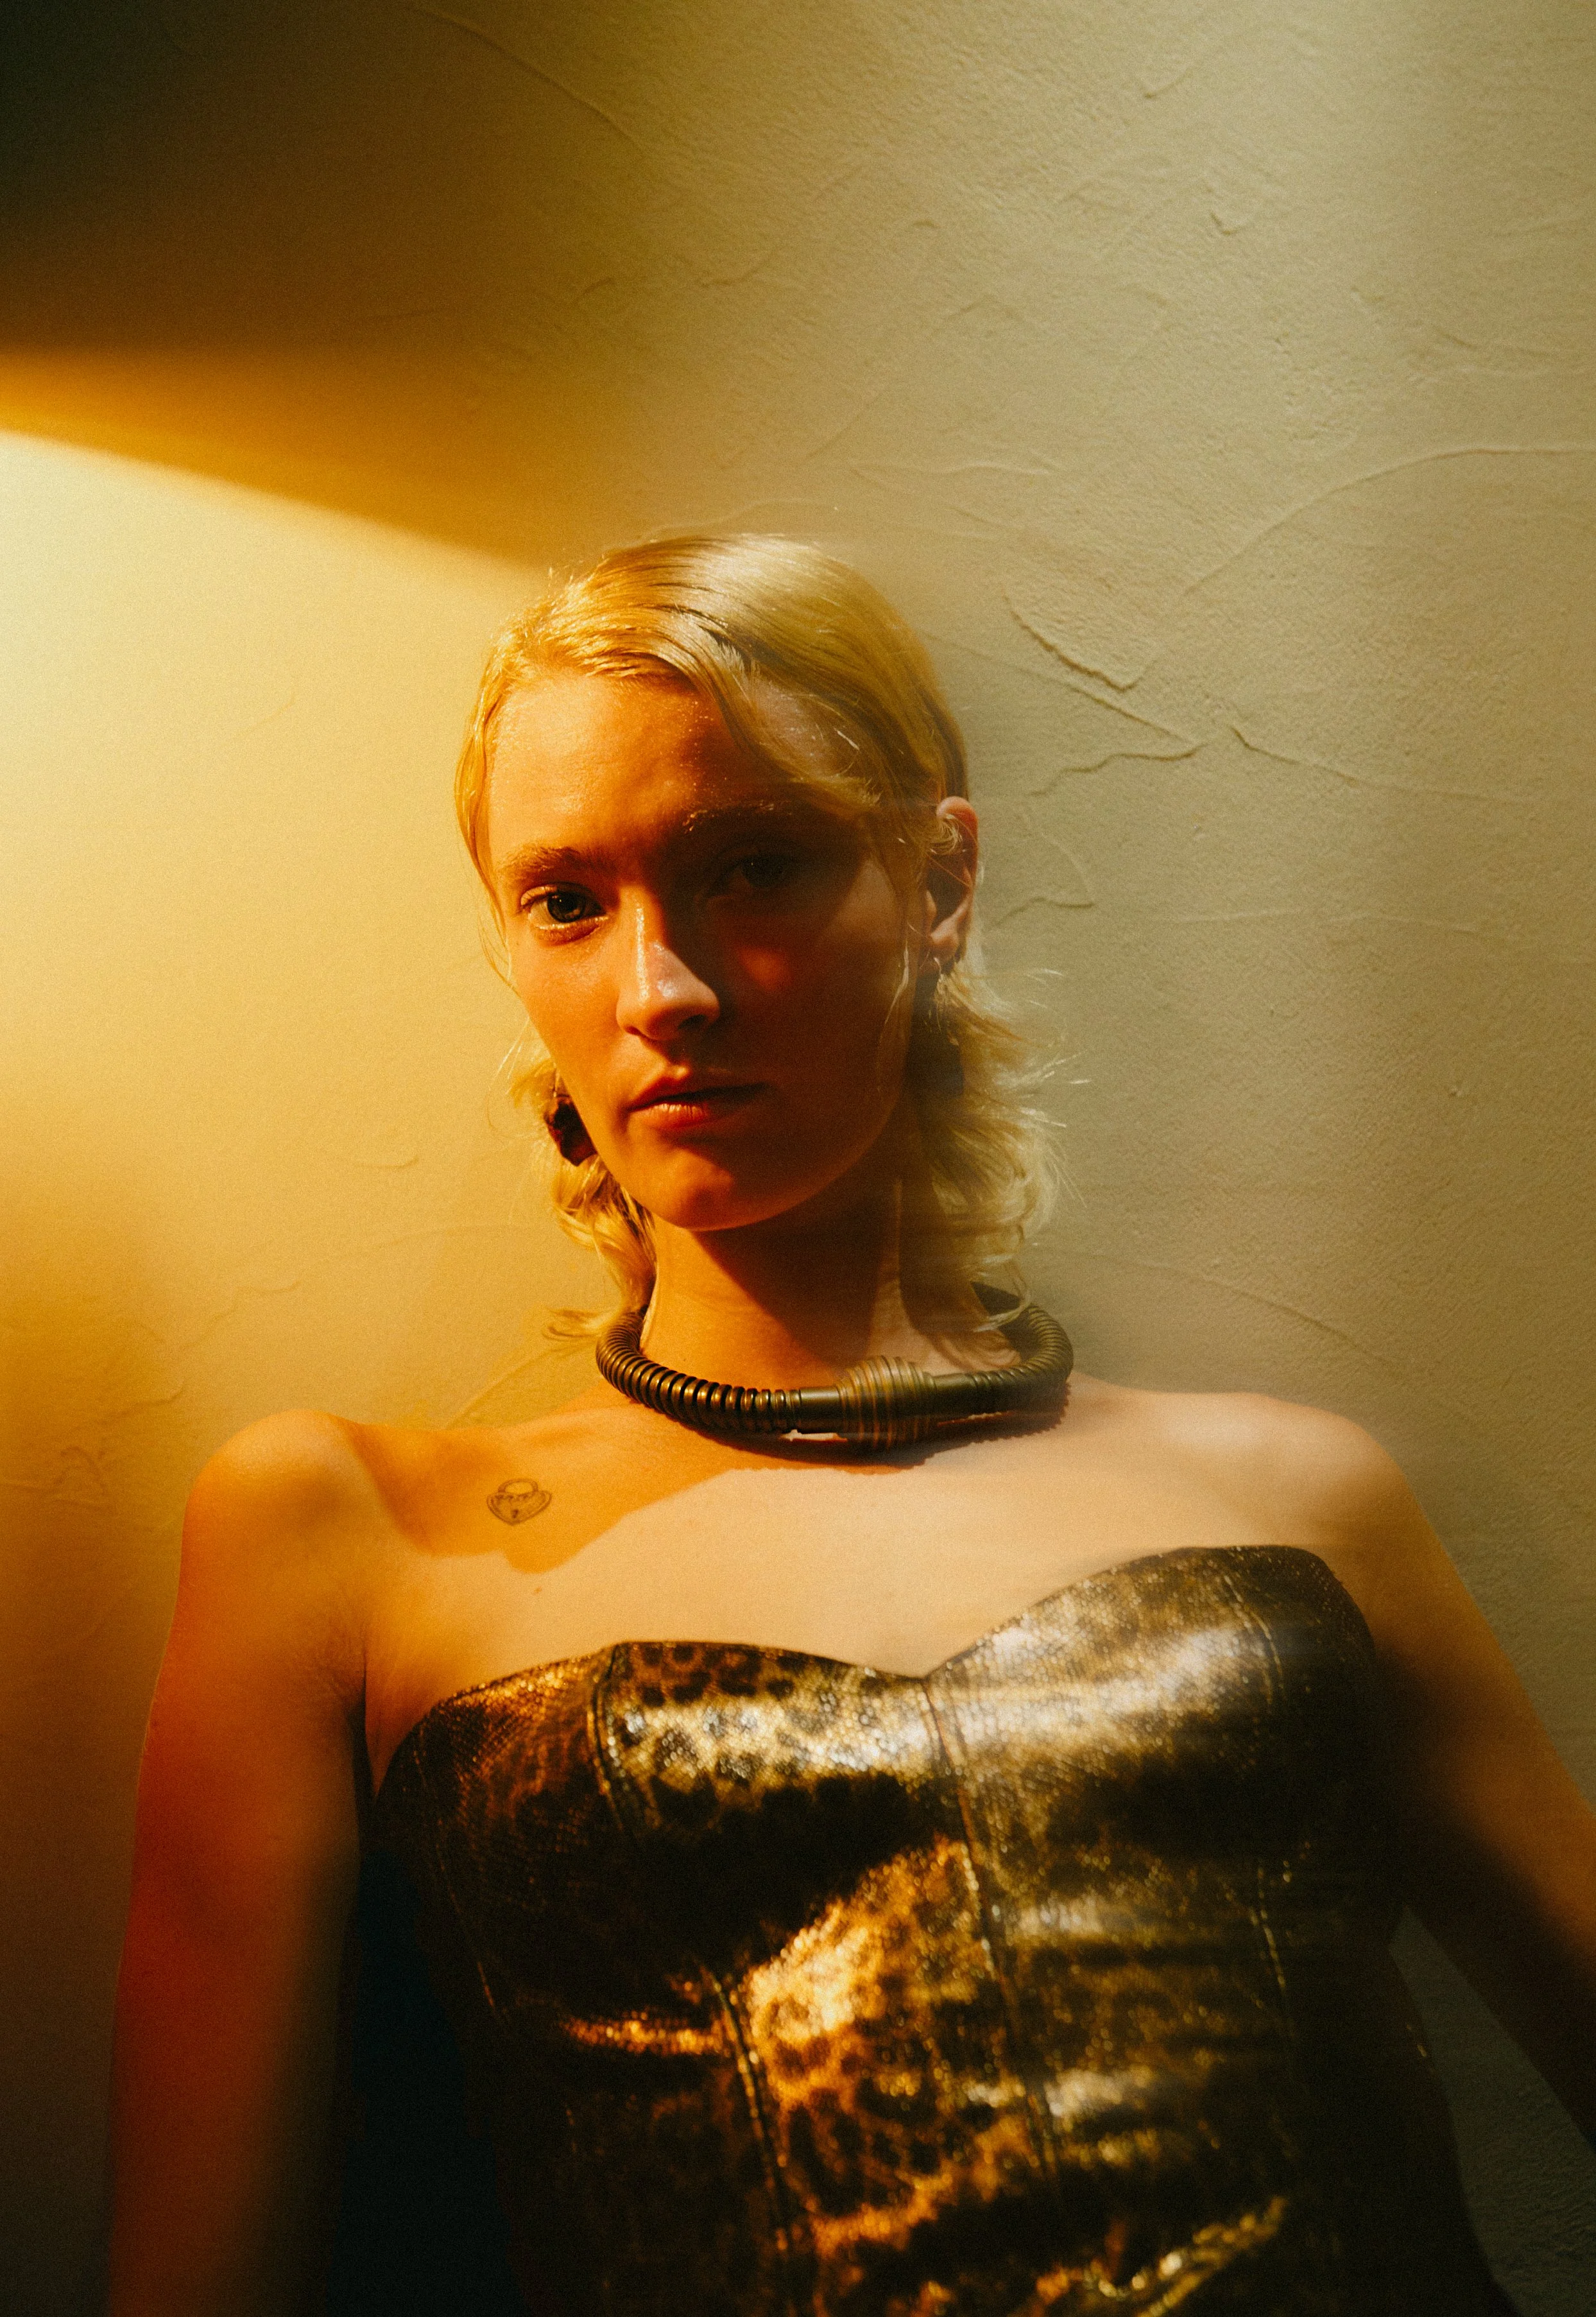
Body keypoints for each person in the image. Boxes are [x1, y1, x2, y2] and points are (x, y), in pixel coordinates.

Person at [108, 535, 1595, 2316]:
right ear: (505, 945)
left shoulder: (1290, 1495)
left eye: (758, 865)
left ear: (939, 881)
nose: (664, 989)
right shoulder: (349, 1529)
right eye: (568, 901)